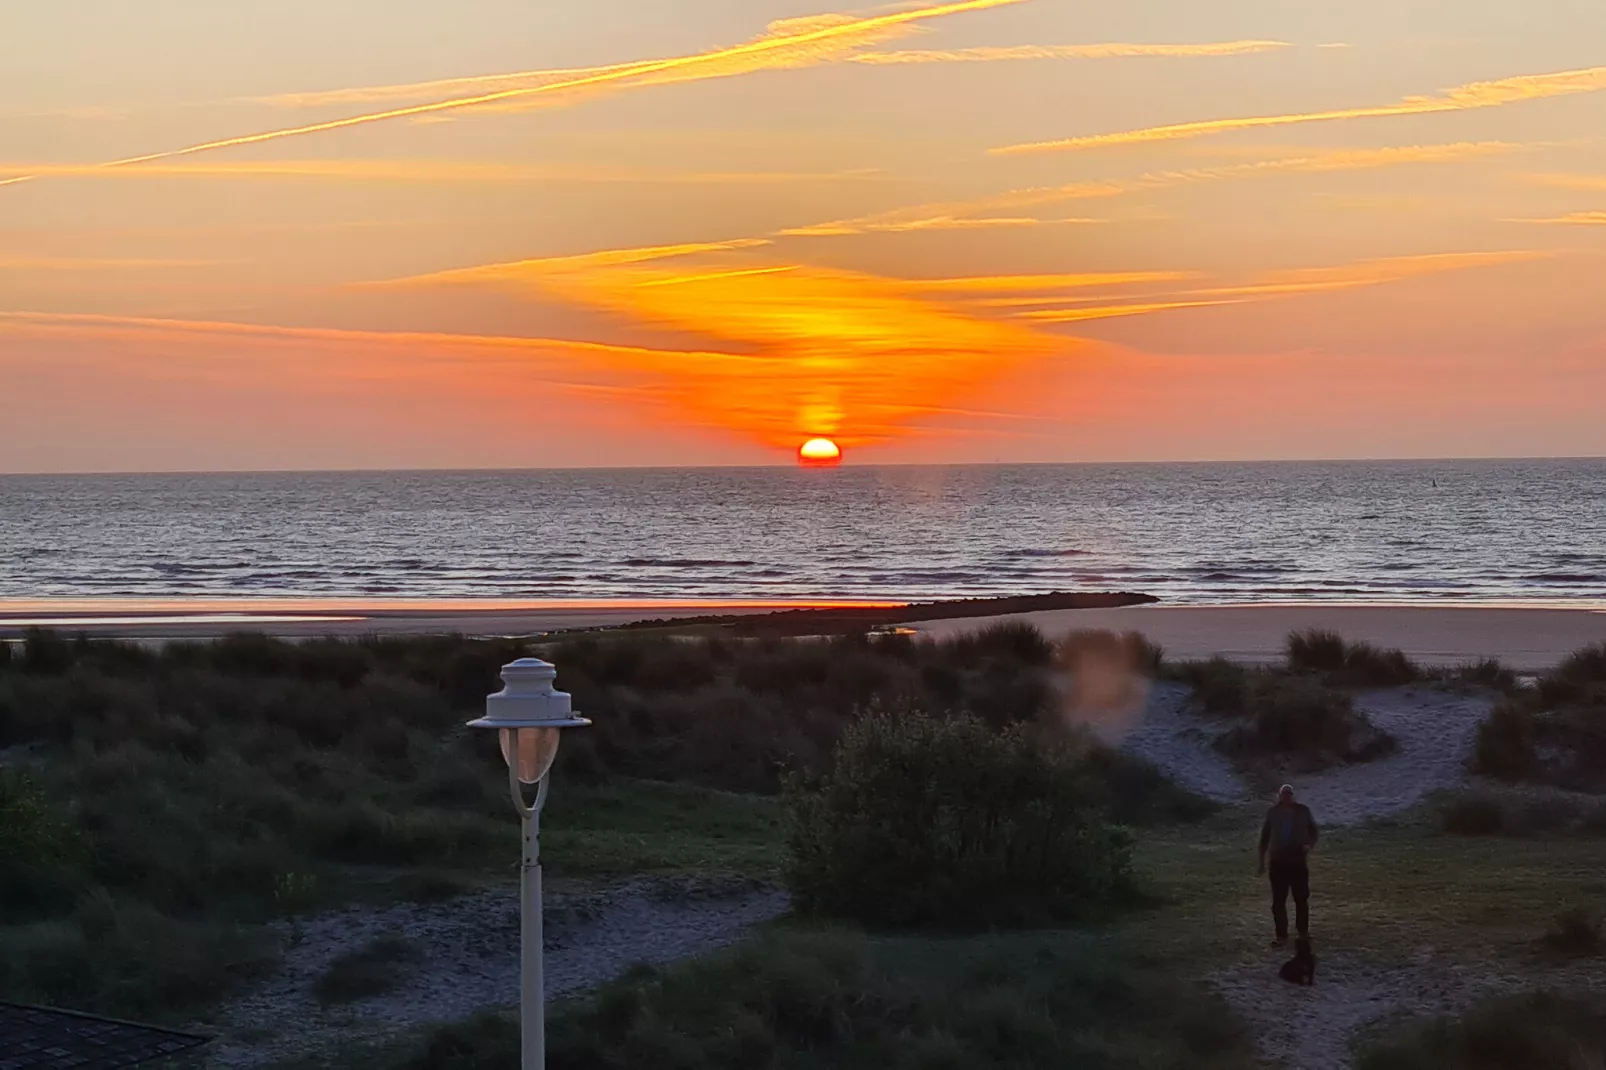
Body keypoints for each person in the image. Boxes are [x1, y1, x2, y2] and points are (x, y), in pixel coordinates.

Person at [1257, 784, 1318, 946]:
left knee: (1301, 898)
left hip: (1298, 861)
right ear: (1279, 796)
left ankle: (1303, 932)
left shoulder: (1303, 811)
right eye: (1284, 794)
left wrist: (1309, 845)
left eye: (1289, 794)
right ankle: (1281, 935)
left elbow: (1314, 831)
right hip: (1278, 862)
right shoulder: (1273, 813)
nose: (1287, 797)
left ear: (1293, 795)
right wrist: (1261, 861)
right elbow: (1264, 838)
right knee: (1278, 901)